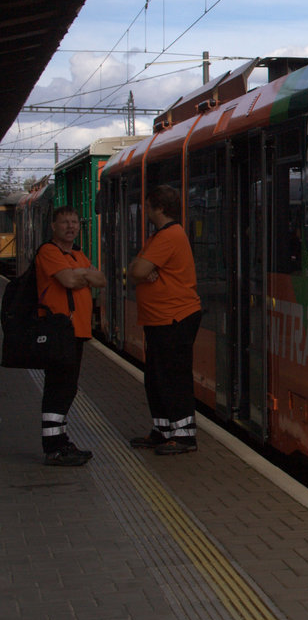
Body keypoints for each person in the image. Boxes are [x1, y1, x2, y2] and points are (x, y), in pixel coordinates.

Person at [127, 185, 202, 455]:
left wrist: (141, 268)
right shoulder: (159, 236)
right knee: (157, 377)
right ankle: (163, 430)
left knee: (173, 376)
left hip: (174, 317)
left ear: (159, 208)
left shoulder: (168, 236)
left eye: (148, 206)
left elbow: (138, 270)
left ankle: (184, 435)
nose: (145, 211)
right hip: (162, 318)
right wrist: (140, 268)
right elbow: (136, 268)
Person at [35, 206, 106, 466]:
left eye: (74, 222)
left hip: (74, 332)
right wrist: (84, 274)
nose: (70, 226)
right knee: (59, 387)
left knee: (67, 387)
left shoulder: (77, 253)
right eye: (65, 222)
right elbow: (68, 280)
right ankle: (54, 447)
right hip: (58, 332)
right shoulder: (48, 251)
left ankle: (60, 441)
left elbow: (101, 279)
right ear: (53, 226)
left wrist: (82, 274)